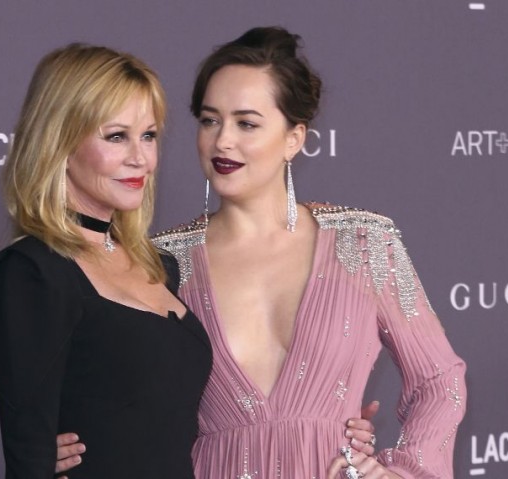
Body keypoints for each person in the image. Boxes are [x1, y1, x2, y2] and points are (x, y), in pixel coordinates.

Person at [150, 27, 467, 478]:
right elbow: (125, 407)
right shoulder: (161, 264)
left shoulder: (363, 242)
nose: (222, 141)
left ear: (294, 138)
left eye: (246, 123)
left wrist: (402, 470)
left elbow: (439, 381)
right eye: (209, 120)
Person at [0, 44, 212, 479]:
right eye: (116, 136)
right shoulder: (32, 274)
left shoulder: (160, 265)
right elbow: (30, 453)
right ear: (60, 143)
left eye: (149, 135)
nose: (140, 158)